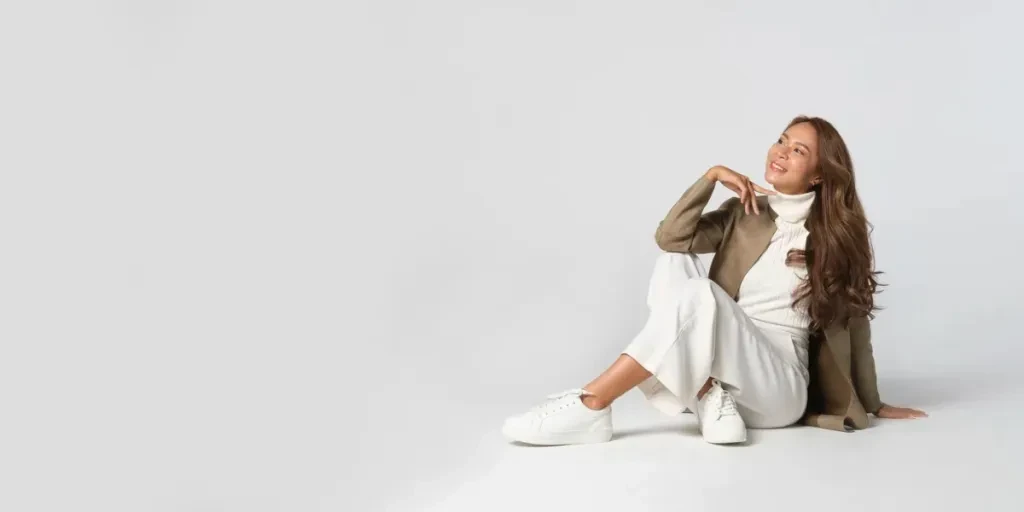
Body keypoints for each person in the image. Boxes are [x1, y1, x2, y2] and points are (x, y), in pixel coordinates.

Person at [501, 115, 928, 446]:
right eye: (781, 140)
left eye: (798, 150)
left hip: (778, 385)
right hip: (724, 361)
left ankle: (592, 403)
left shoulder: (837, 234)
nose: (780, 152)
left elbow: (856, 322)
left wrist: (873, 403)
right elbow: (671, 238)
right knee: (674, 262)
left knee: (701, 294)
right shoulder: (745, 211)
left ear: (818, 173)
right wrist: (711, 177)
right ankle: (710, 395)